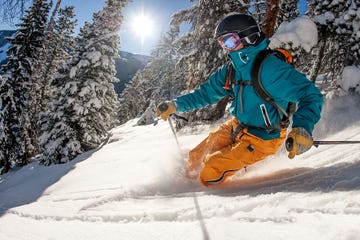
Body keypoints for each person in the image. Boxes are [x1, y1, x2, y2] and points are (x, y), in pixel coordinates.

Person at [156, 13, 323, 186]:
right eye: (222, 43)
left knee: (210, 169)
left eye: (229, 41)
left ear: (248, 37)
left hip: (264, 137)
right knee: (194, 159)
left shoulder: (271, 69)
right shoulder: (232, 69)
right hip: (237, 126)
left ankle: (208, 202)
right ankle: (183, 187)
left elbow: (310, 94)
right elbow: (205, 93)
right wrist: (176, 104)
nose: (226, 48)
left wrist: (302, 127)